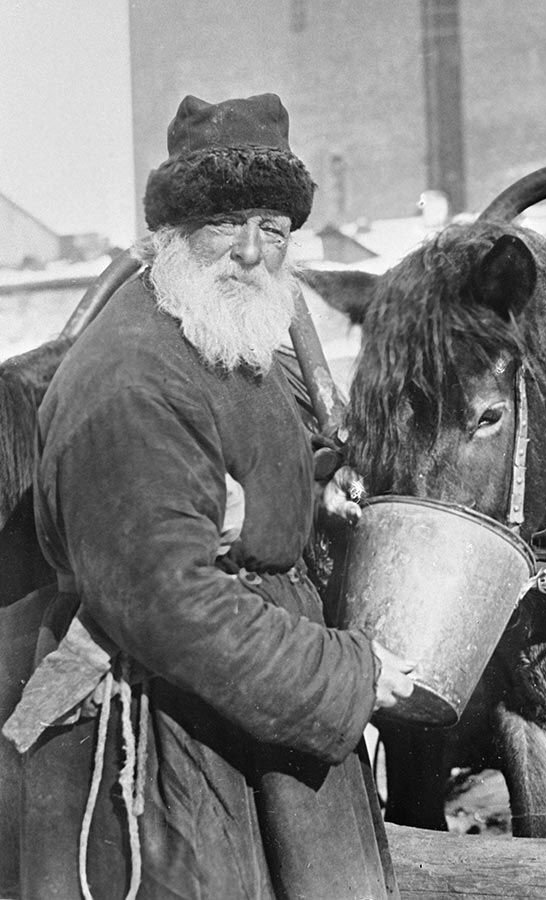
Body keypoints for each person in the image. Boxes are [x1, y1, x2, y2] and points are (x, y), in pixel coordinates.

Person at [4, 93, 414, 899]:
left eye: (274, 228)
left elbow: (223, 480)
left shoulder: (219, 340)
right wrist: (347, 675)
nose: (254, 253)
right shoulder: (130, 378)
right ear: (172, 236)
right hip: (167, 762)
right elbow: (170, 605)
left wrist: (299, 500)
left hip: (248, 729)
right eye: (227, 224)